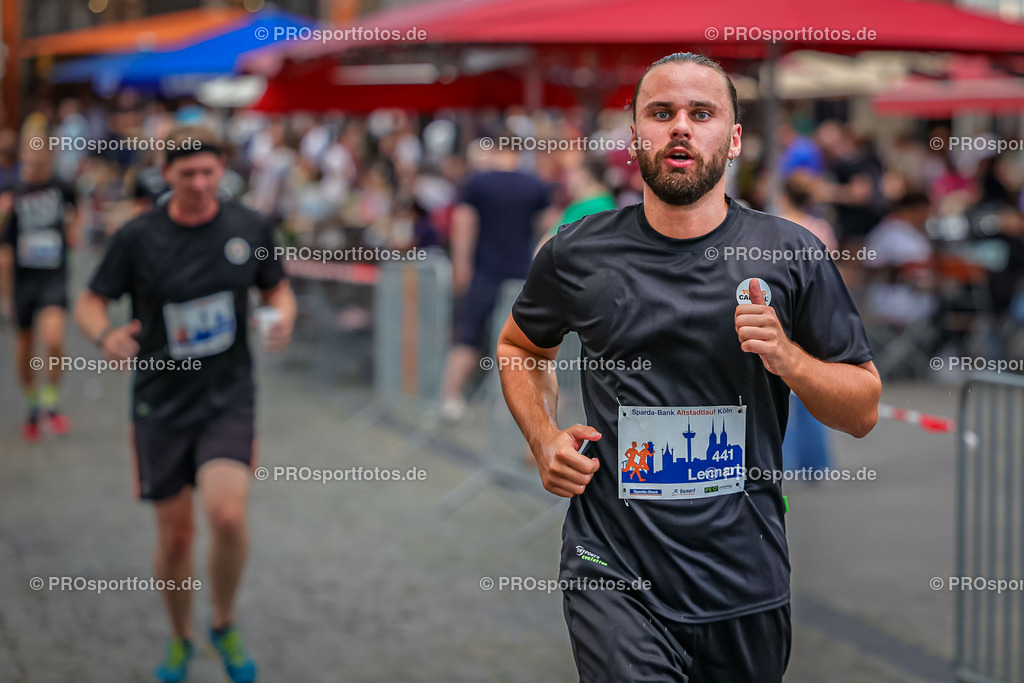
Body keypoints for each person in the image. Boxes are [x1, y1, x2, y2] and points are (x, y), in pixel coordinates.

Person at [496, 52, 880, 683]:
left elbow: (862, 409)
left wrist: (787, 357)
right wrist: (543, 439)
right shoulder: (578, 252)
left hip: (743, 578)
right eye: (661, 112)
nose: (680, 126)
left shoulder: (790, 254)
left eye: (701, 113)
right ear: (635, 136)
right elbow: (519, 348)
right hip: (613, 569)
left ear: (731, 140)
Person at [75, 126, 296, 683]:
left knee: (226, 514)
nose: (199, 183)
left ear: (221, 170)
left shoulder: (248, 226)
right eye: (186, 174)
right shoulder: (137, 237)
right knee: (176, 536)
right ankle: (180, 637)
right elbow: (90, 300)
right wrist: (105, 336)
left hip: (228, 396)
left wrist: (283, 317)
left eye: (208, 172)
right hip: (161, 401)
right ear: (166, 175)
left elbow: (277, 287)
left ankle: (222, 621)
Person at [440, 139, 551, 420]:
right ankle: (520, 408)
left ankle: (450, 398)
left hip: (484, 272)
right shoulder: (535, 185)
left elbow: (463, 225)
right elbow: (548, 228)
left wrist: (461, 266)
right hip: (522, 276)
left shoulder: (477, 183)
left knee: (468, 335)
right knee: (521, 343)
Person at [0, 138, 79, 441]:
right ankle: (32, 404)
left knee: (54, 337)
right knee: (25, 345)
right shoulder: (11, 191)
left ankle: (50, 400)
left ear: (50, 157)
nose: (32, 166)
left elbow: (79, 207)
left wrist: (74, 231)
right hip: (23, 280)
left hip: (53, 276)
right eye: (28, 160)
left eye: (39, 160)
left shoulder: (61, 186)